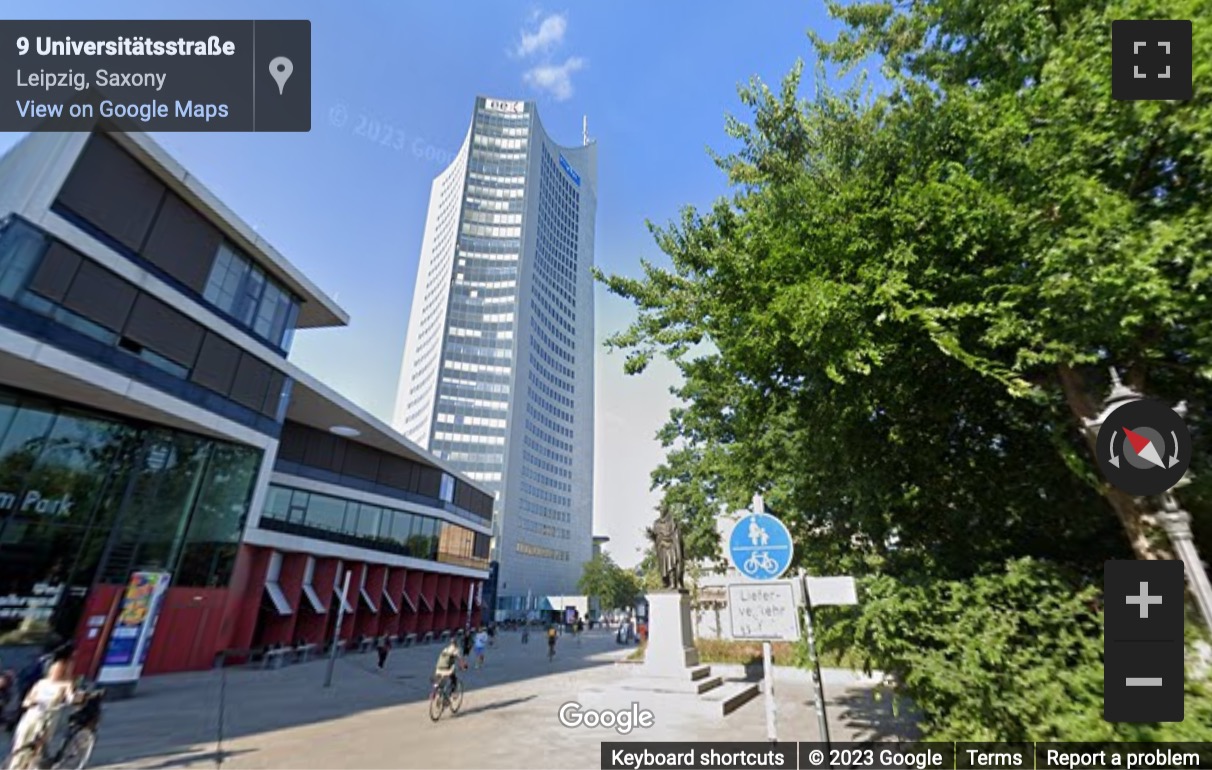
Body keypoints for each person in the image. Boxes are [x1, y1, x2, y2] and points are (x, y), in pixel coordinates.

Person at [9, 655, 75, 767]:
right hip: (32, 714)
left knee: (38, 744)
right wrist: (29, 702)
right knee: (21, 741)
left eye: (59, 669)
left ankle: (32, 765)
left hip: (49, 715)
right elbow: (27, 699)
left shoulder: (65, 684)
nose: (56, 672)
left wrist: (71, 699)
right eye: (54, 669)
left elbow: (70, 697)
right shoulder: (41, 683)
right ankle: (15, 766)